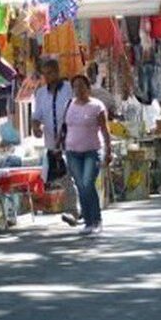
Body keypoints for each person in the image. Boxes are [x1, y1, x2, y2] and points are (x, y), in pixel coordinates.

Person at [62, 74, 112, 236]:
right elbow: (65, 128)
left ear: (88, 88)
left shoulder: (97, 106)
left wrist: (108, 151)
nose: (78, 90)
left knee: (87, 183)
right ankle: (88, 222)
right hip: (72, 151)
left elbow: (105, 130)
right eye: (75, 86)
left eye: (81, 86)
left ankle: (96, 220)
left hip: (92, 150)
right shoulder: (69, 104)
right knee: (81, 185)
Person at [31, 59, 79, 226]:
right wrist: (36, 127)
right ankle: (74, 209)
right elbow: (36, 116)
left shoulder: (69, 88)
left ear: (58, 72)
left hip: (72, 138)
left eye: (51, 72)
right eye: (45, 74)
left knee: (73, 174)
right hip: (53, 142)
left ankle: (74, 209)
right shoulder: (40, 93)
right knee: (65, 176)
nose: (48, 77)